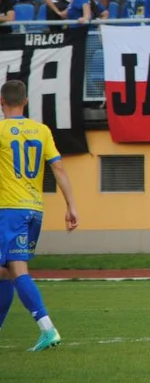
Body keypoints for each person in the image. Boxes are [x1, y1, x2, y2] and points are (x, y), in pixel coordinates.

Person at [0, 79, 78, 351]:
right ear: (25, 102)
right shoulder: (41, 130)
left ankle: (47, 328)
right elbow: (59, 170)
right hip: (34, 210)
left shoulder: (0, 131)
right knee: (6, 271)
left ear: (1, 102)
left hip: (9, 210)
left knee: (16, 270)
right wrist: (71, 206)